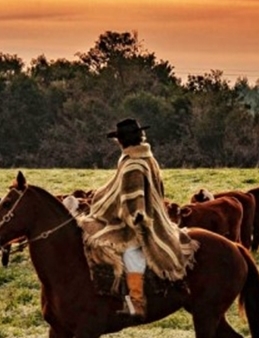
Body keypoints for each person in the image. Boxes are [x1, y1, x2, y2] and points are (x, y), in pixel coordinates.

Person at [80, 118, 194, 318]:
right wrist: (103, 195)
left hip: (143, 220)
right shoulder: (143, 157)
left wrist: (135, 217)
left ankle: (136, 301)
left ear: (122, 141)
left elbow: (133, 199)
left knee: (132, 252)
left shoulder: (134, 163)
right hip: (143, 214)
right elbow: (119, 189)